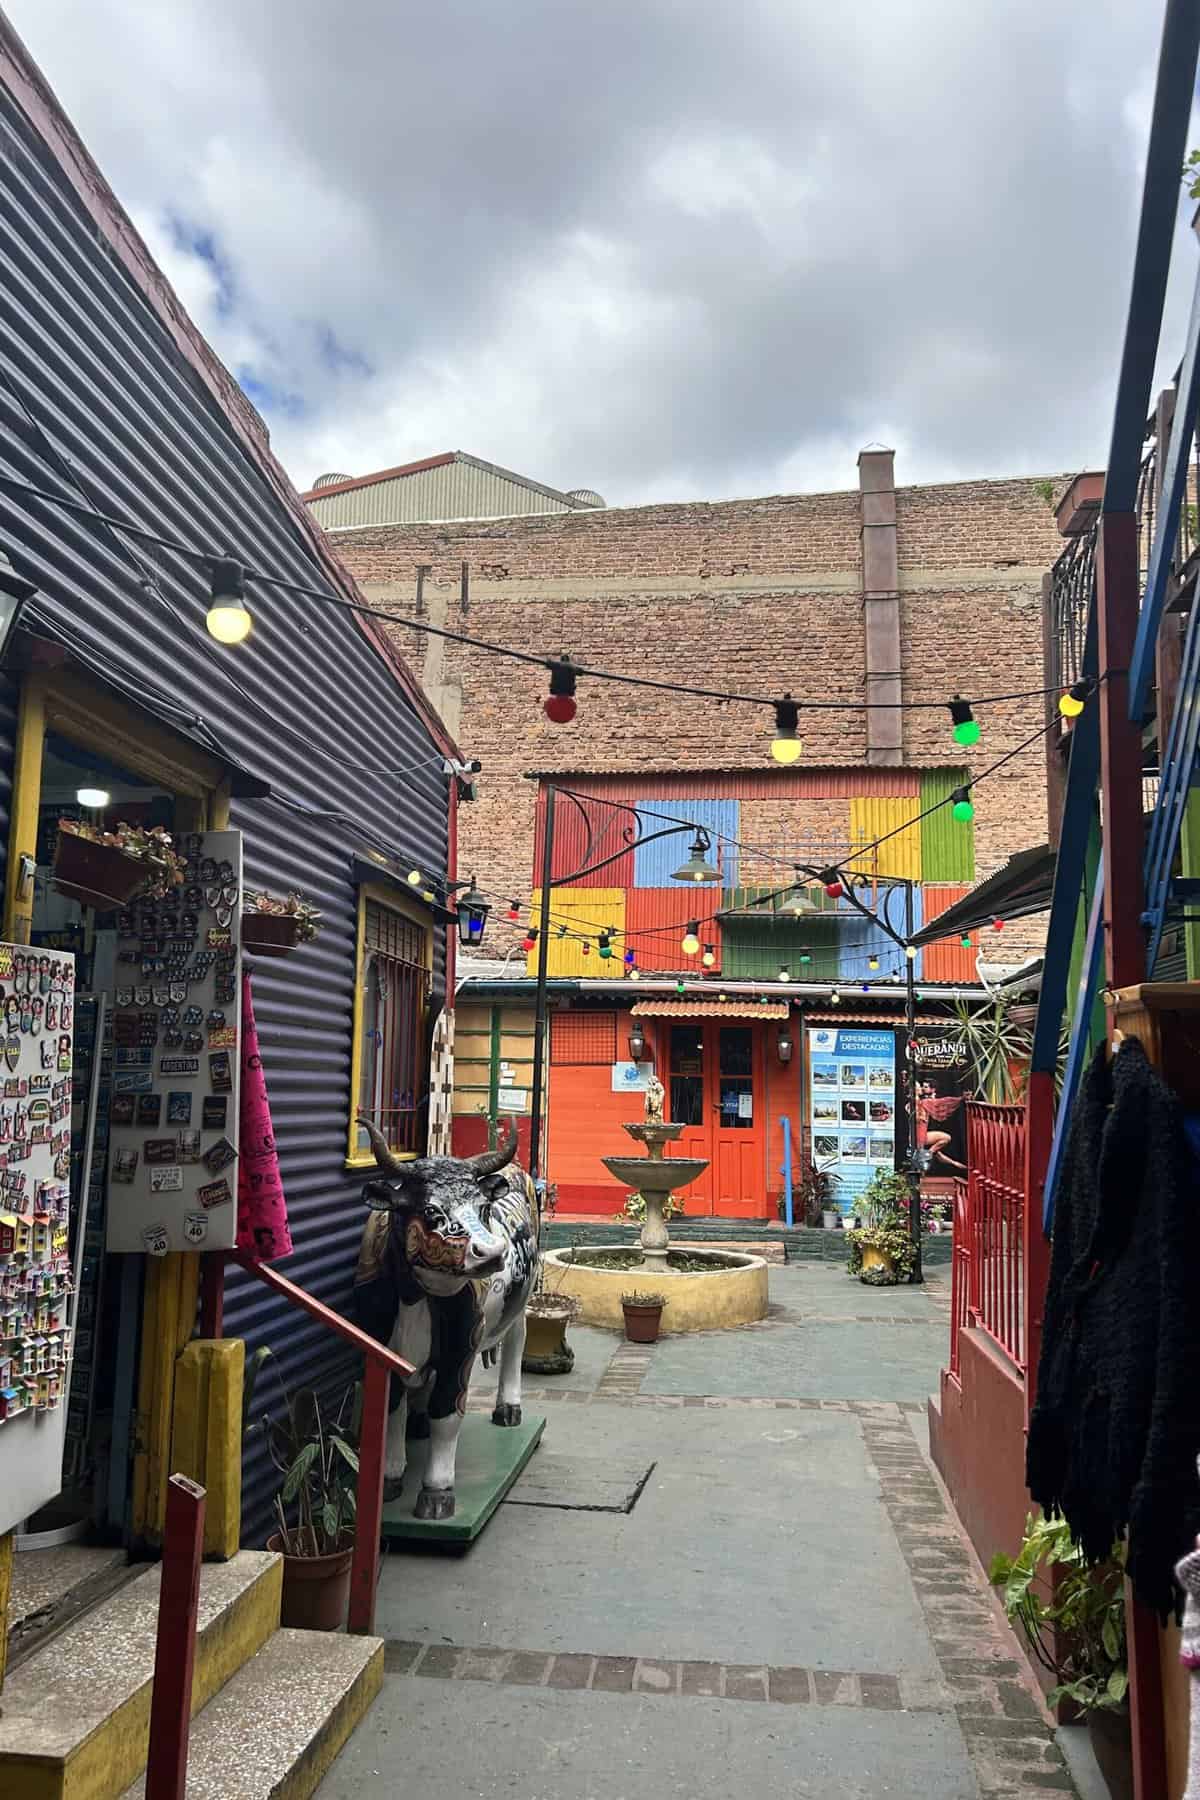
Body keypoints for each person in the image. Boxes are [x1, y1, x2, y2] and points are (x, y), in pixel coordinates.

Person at [916, 1082, 965, 1173]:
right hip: (920, 1135)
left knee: (936, 1153)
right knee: (946, 1138)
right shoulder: (923, 1102)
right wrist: (961, 1099)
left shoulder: (919, 1102)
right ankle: (925, 1158)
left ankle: (955, 1164)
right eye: (920, 1087)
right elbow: (944, 1102)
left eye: (923, 1087)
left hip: (918, 1135)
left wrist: (954, 1163)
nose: (922, 1089)